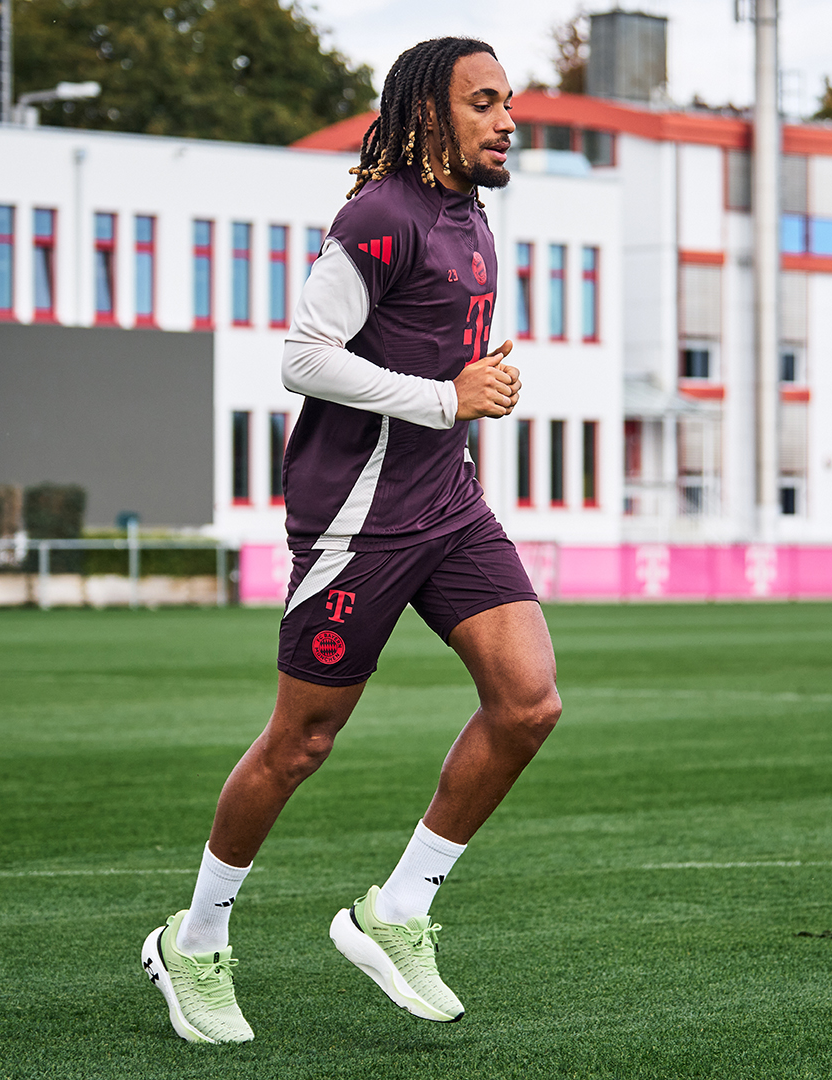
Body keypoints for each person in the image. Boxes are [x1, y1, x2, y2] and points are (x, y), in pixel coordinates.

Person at [140, 36, 561, 1045]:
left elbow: (436, 364)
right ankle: (192, 944)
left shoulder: (474, 218)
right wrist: (444, 395)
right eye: (484, 103)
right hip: (354, 522)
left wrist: (479, 387)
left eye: (510, 103)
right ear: (428, 115)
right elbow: (302, 359)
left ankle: (400, 910)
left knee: (529, 702)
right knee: (300, 744)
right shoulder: (378, 217)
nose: (509, 121)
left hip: (446, 504)